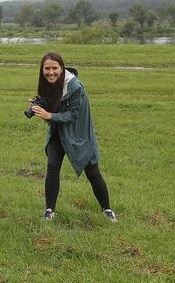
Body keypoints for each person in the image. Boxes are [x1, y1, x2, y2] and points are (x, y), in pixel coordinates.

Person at [31, 52, 117, 222]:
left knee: (92, 172)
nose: (50, 72)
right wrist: (40, 105)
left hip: (80, 136)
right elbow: (55, 107)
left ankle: (107, 210)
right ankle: (49, 210)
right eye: (46, 68)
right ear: (42, 70)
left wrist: (49, 115)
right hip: (58, 133)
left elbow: (73, 114)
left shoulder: (76, 87)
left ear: (62, 68)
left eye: (54, 68)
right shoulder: (48, 84)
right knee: (52, 166)